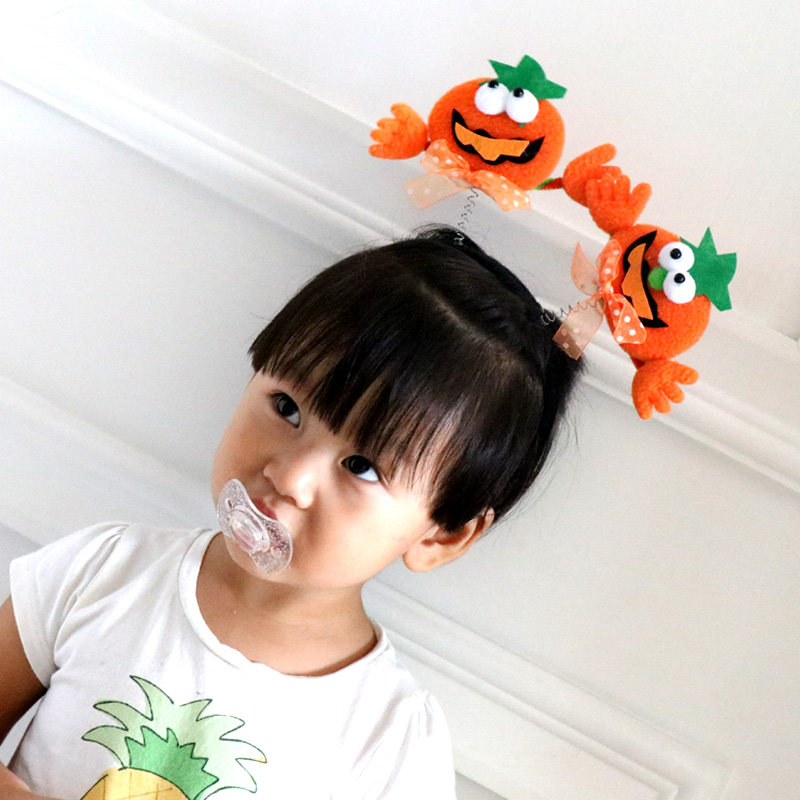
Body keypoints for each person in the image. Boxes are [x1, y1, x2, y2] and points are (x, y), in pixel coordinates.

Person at [0, 225, 582, 799]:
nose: (290, 477)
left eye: (361, 466)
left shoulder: (388, 739)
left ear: (441, 537)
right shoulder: (103, 571)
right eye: (286, 407)